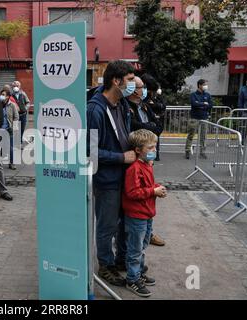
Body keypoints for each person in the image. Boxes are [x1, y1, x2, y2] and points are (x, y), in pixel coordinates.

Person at [87, 60, 137, 286]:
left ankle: (121, 261)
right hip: (106, 180)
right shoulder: (95, 110)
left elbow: (124, 134)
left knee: (121, 224)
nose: (133, 84)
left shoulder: (122, 104)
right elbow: (90, 151)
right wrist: (121, 157)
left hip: (123, 177)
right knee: (106, 226)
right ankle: (105, 265)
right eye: (129, 80)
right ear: (116, 81)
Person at [122, 129, 167, 297]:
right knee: (135, 249)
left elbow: (148, 185)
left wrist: (157, 187)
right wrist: (152, 191)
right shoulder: (134, 169)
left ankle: (138, 272)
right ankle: (132, 279)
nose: (154, 150)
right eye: (150, 148)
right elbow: (132, 193)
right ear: (138, 150)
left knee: (142, 246)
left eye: (155, 147)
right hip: (136, 216)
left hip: (147, 214)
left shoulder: (147, 165)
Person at [126, 76, 166, 248]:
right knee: (137, 195)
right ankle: (136, 234)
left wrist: (148, 128)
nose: (144, 91)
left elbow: (158, 127)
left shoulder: (144, 105)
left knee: (149, 188)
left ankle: (148, 232)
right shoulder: (126, 107)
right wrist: (148, 128)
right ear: (133, 89)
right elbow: (133, 127)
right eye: (141, 87)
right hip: (135, 158)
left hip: (146, 156)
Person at [185, 79, 213, 160]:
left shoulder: (207, 95)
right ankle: (187, 151)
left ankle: (202, 152)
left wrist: (200, 104)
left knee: (203, 136)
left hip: (204, 118)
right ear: (199, 85)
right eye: (204, 84)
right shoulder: (193, 95)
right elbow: (194, 104)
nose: (206, 86)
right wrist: (204, 103)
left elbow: (211, 105)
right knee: (191, 135)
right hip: (194, 118)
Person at [141, 74, 166, 161]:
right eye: (150, 92)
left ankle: (155, 156)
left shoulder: (144, 104)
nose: (151, 95)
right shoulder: (128, 105)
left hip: (144, 156)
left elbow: (162, 106)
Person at [0, 88, 20, 170]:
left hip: (9, 128)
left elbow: (16, 117)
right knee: (0, 146)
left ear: (8, 96)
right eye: (1, 94)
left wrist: (14, 128)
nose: (2, 96)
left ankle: (12, 163)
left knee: (11, 147)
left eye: (4, 95)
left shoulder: (12, 105)